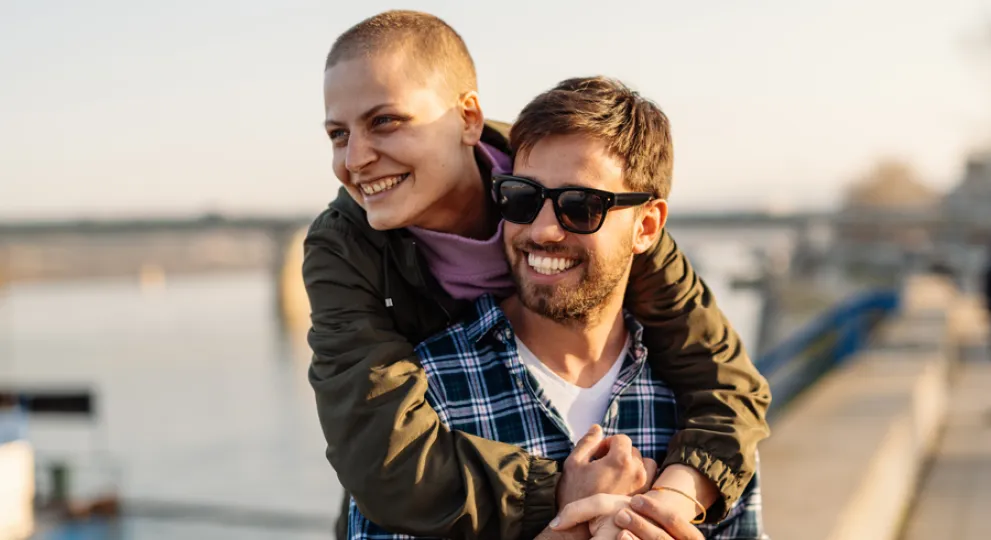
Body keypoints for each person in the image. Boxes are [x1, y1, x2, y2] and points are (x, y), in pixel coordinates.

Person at [304, 10, 771, 540]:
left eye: (385, 120)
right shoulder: (345, 247)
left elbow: (727, 383)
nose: (356, 159)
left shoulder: (578, 165)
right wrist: (569, 495)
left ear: (468, 120)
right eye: (338, 134)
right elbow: (383, 459)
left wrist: (670, 501)